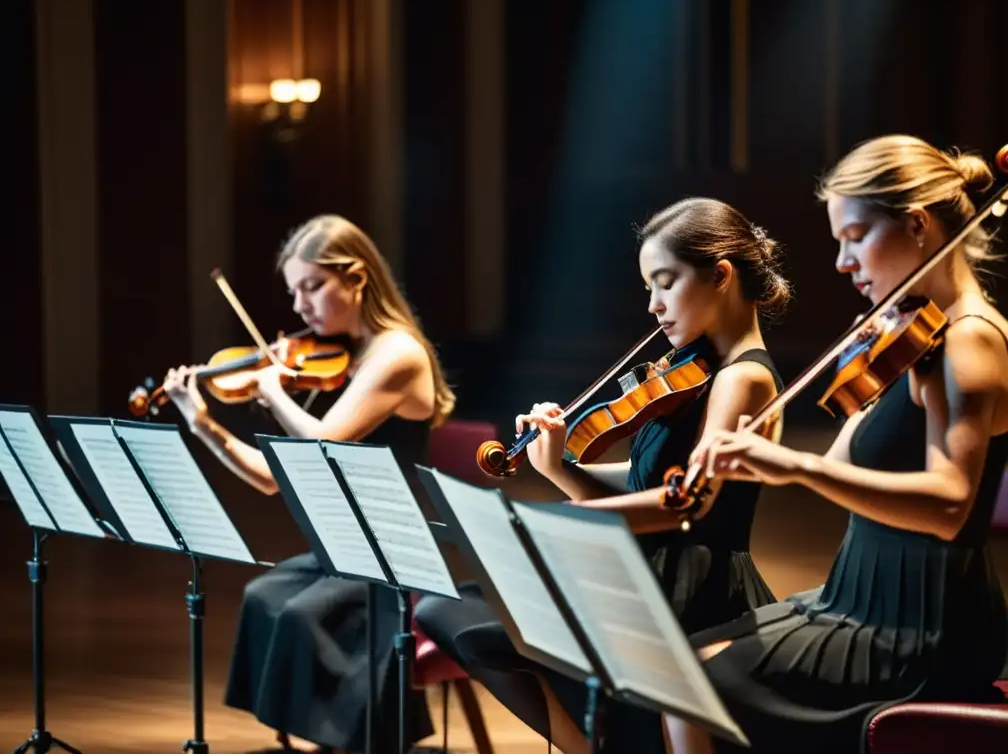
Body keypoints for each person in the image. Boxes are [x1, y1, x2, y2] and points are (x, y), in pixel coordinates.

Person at [675, 135, 1008, 754]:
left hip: (914, 621)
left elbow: (951, 505)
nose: (841, 261)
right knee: (680, 660)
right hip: (859, 593)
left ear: (916, 225)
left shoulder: (972, 341)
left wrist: (792, 463)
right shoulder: (918, 337)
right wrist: (754, 457)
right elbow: (837, 468)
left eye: (855, 236)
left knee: (690, 688)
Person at [415, 197, 793, 754]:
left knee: (487, 635)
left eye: (664, 283)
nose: (653, 306)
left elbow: (683, 503)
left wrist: (561, 522)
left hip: (693, 591)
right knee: (456, 618)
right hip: (652, 570)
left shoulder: (744, 379)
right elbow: (642, 482)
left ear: (720, 276)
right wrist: (557, 465)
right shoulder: (692, 373)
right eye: (648, 288)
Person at [162, 214, 456, 754]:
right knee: (263, 596)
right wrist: (201, 422)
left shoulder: (397, 353)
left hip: (390, 554)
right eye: (294, 290)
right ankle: (328, 741)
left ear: (357, 278)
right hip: (345, 544)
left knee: (300, 615)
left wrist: (273, 393)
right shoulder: (354, 356)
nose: (299, 307)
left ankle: (360, 739)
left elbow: (323, 445)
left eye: (312, 286)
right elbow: (275, 481)